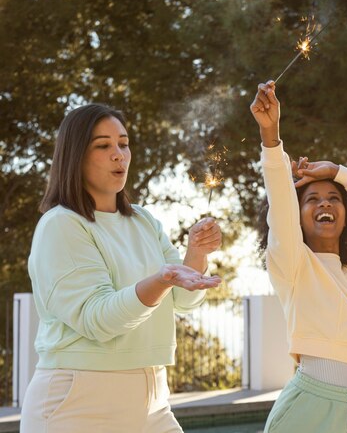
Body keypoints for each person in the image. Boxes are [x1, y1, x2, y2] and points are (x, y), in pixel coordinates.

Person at [20, 103, 222, 433]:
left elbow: (183, 302)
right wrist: (160, 280)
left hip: (153, 397)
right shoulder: (61, 225)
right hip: (78, 403)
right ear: (76, 156)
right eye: (103, 145)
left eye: (123, 143)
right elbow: (98, 320)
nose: (119, 154)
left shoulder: (143, 220)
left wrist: (196, 256)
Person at [250, 80, 347, 433]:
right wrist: (271, 137)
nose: (324, 203)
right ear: (298, 214)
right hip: (310, 410)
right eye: (312, 199)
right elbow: (281, 202)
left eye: (334, 197)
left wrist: (338, 172)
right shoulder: (292, 264)